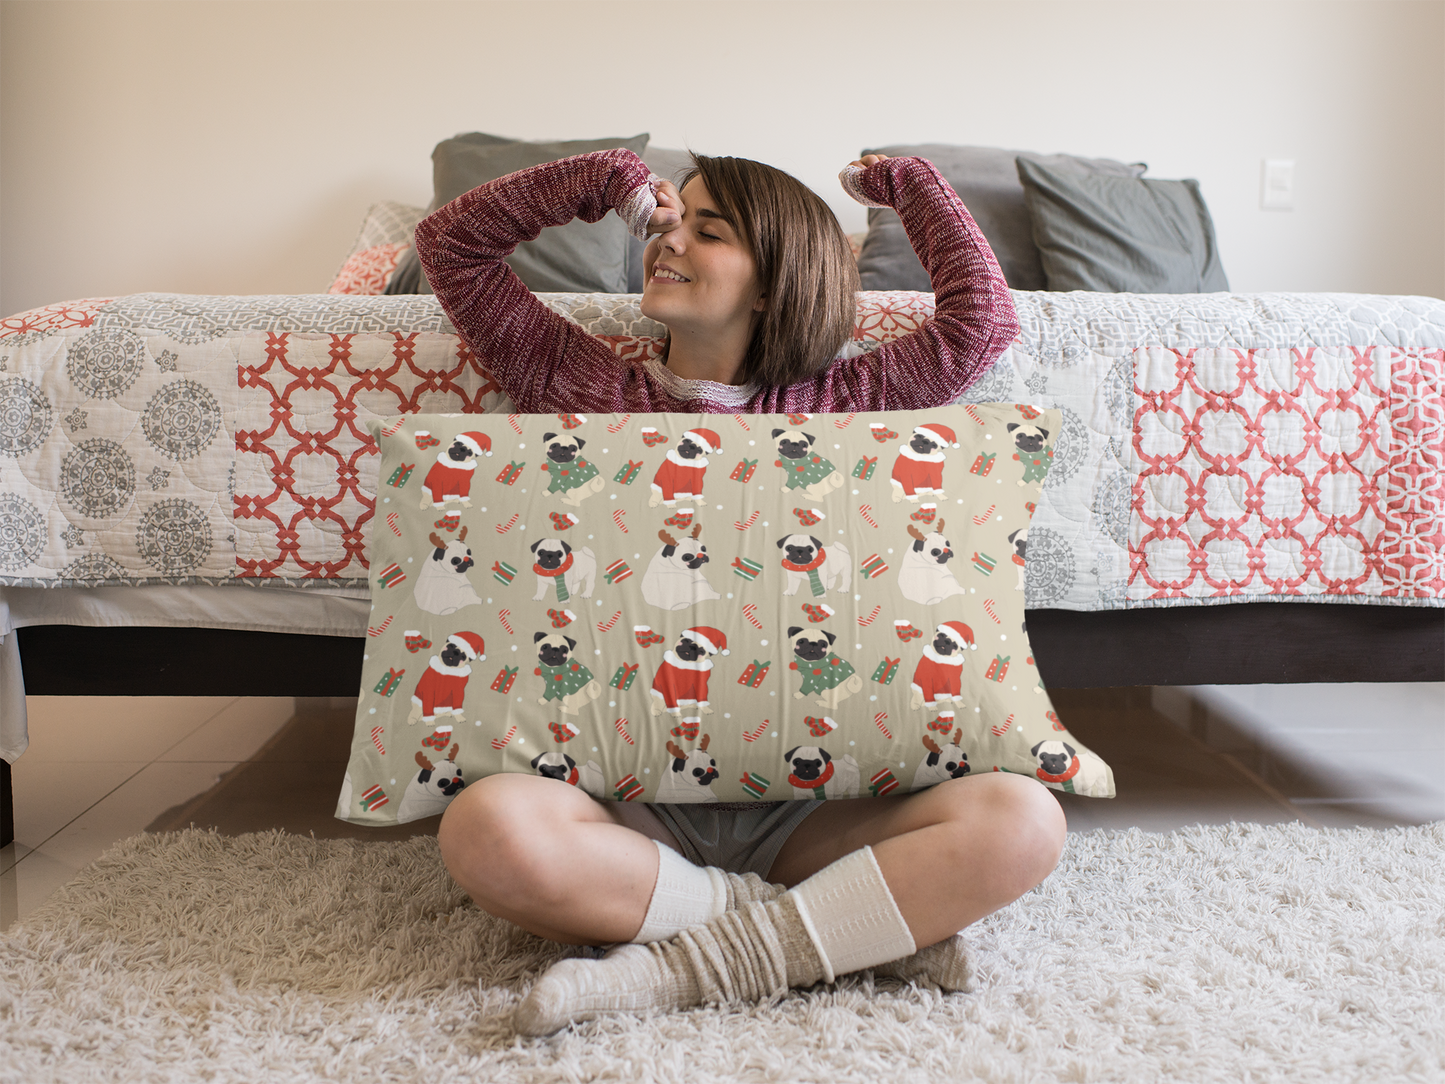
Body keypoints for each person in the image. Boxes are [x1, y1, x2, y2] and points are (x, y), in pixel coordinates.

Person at [415, 147, 1067, 1036]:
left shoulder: (851, 399)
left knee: (1023, 818)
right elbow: (451, 247)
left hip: (816, 807)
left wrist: (909, 187)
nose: (665, 238)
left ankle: (664, 971)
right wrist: (589, 184)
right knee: (483, 830)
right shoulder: (585, 386)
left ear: (773, 283)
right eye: (667, 218)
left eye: (706, 229)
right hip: (626, 802)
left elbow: (982, 323)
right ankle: (848, 933)